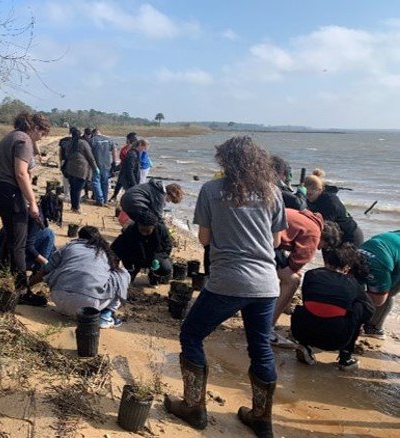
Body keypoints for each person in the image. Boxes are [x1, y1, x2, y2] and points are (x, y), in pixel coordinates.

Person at [164, 136, 286, 437]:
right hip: (266, 283)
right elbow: (276, 242)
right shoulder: (272, 191)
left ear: (224, 161)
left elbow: (203, 239)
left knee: (191, 334)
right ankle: (261, 419)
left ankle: (194, 407)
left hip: (228, 280)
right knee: (260, 348)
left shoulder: (210, 190)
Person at [0, 111, 51, 304]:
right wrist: (32, 203)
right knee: (19, 242)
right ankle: (22, 291)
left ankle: (7, 274)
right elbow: (21, 174)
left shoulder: (13, 136)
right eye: (42, 134)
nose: (42, 138)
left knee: (13, 235)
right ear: (35, 128)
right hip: (9, 190)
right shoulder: (23, 140)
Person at [291, 244, 375, 371]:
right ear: (347, 267)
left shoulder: (311, 274)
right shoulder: (352, 283)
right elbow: (370, 310)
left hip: (301, 330)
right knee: (359, 306)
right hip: (336, 340)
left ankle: (305, 345)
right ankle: (345, 357)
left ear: (327, 261)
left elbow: (307, 298)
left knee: (309, 305)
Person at [32, 226, 130, 328]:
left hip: (59, 298)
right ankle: (106, 315)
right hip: (91, 306)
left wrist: (26, 285)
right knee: (123, 274)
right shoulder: (105, 252)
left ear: (79, 237)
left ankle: (76, 309)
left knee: (59, 270)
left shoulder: (67, 247)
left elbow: (45, 271)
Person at [270, 209, 342, 347]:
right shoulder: (315, 234)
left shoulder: (305, 218)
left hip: (257, 231)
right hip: (264, 240)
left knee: (287, 275)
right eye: (323, 247)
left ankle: (264, 313)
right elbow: (297, 262)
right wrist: (294, 271)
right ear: (324, 239)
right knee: (293, 281)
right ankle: (267, 328)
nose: (319, 249)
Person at [111, 210, 173, 285]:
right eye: (142, 230)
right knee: (128, 278)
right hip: (135, 257)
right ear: (138, 225)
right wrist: (116, 264)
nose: (144, 233)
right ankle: (132, 272)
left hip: (154, 257)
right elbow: (116, 249)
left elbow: (168, 247)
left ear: (153, 227)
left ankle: (153, 275)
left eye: (147, 231)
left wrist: (158, 258)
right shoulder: (130, 230)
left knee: (165, 268)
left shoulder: (161, 230)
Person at [358, 230, 400, 339]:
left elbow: (379, 300)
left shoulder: (380, 268)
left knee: (387, 293)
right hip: (387, 249)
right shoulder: (354, 258)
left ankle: (373, 327)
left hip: (385, 255)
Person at [305, 174, 363, 246]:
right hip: (334, 236)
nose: (307, 197)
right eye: (306, 194)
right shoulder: (310, 199)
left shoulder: (330, 201)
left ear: (319, 190)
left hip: (350, 236)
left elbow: (326, 227)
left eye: (310, 194)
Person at [63, 127, 97, 213]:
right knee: (78, 189)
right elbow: (90, 157)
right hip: (81, 170)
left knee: (73, 189)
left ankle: (73, 207)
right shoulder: (83, 143)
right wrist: (95, 168)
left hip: (70, 169)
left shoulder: (69, 143)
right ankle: (77, 208)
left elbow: (66, 155)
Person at [120, 180, 184, 224]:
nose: (169, 202)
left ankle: (128, 231)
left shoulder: (155, 186)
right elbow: (158, 216)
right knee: (150, 221)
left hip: (125, 200)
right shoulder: (160, 196)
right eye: (171, 200)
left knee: (144, 219)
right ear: (170, 195)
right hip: (134, 203)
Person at [89, 128, 117, 206]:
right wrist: (114, 162)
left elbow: (89, 154)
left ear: (93, 133)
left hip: (96, 165)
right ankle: (105, 200)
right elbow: (114, 150)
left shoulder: (92, 140)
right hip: (107, 165)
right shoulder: (109, 139)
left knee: (96, 182)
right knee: (105, 182)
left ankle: (100, 200)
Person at [111, 132, 138, 201]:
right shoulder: (127, 149)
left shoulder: (127, 149)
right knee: (122, 183)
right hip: (126, 168)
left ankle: (116, 196)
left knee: (122, 183)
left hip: (126, 168)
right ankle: (116, 196)